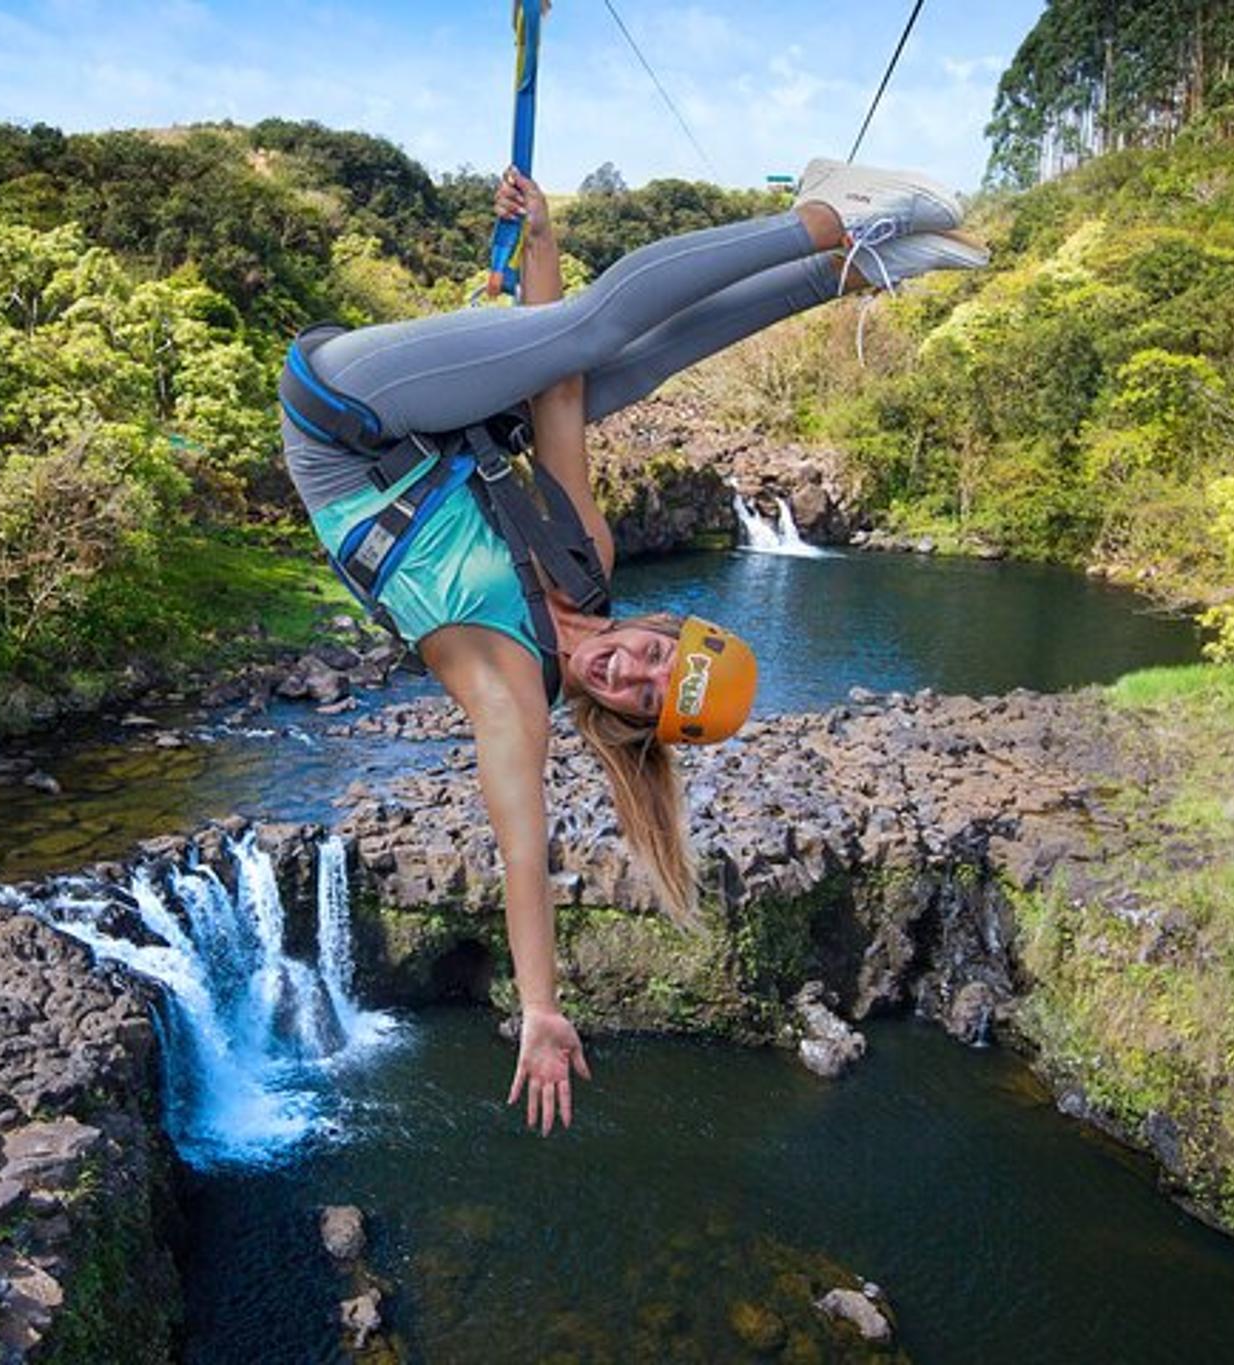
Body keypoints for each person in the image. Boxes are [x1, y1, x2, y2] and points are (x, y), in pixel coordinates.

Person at [280, 158, 984, 1134]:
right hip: (432, 430)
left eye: (641, 695)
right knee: (623, 364)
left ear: (618, 718)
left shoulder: (506, 687)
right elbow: (558, 387)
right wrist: (541, 244)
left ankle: (828, 222)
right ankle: (847, 254)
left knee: (603, 337)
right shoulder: (587, 557)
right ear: (662, 628)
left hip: (340, 425)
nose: (631, 669)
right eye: (660, 657)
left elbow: (523, 853)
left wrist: (537, 1005)